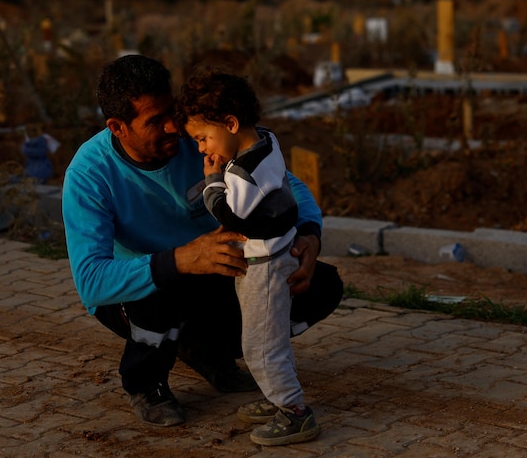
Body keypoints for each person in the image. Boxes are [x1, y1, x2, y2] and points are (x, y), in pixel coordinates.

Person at [61, 54, 343, 430]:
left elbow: (285, 185)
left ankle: (207, 352)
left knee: (319, 285)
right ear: (118, 126)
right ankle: (146, 384)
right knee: (161, 292)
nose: (172, 129)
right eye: (154, 122)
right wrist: (178, 260)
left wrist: (308, 234)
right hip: (144, 291)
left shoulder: (202, 141)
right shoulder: (89, 174)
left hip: (213, 267)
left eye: (171, 114)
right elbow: (92, 282)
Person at [174, 68, 319, 446]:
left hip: (263, 268)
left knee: (260, 344)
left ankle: (294, 412)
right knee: (268, 338)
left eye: (204, 138)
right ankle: (276, 398)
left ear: (231, 124)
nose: (202, 149)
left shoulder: (241, 172)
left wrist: (212, 181)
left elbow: (227, 213)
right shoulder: (267, 141)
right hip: (279, 253)